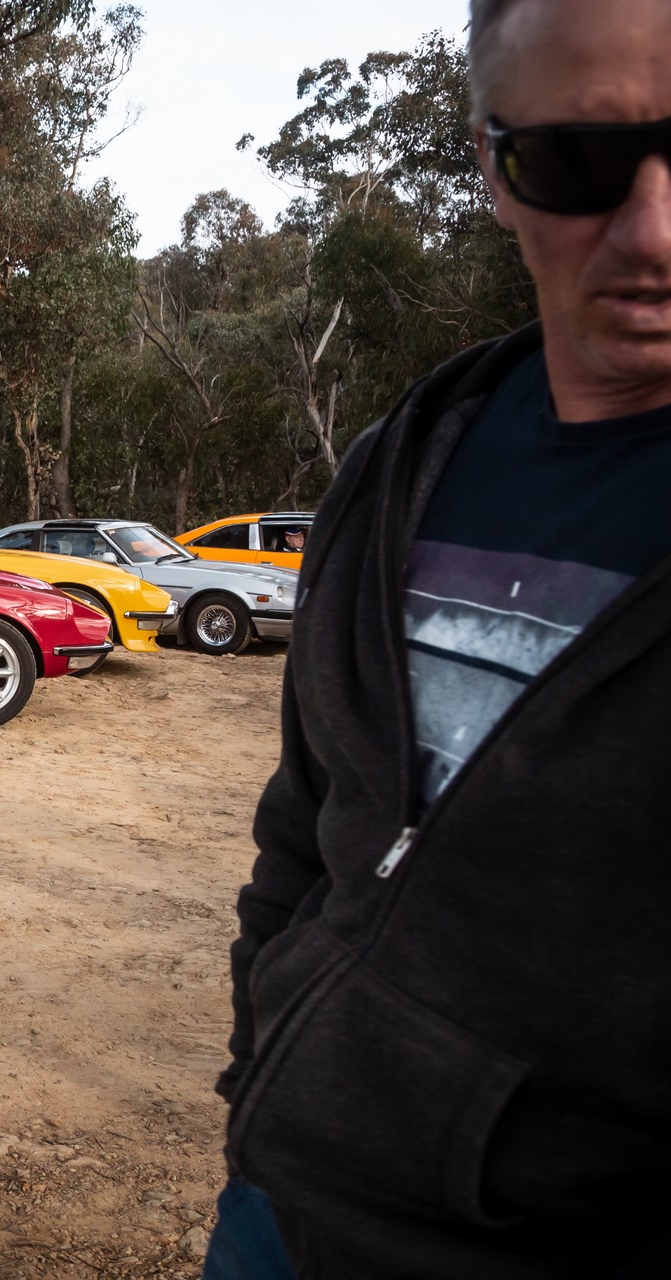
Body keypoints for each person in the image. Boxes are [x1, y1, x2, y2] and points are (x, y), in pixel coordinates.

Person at [209, 1, 671, 1275]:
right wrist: (265, 1061)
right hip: (278, 1209)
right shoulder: (406, 456)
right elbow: (307, 819)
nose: (653, 233)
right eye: (577, 161)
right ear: (491, 164)